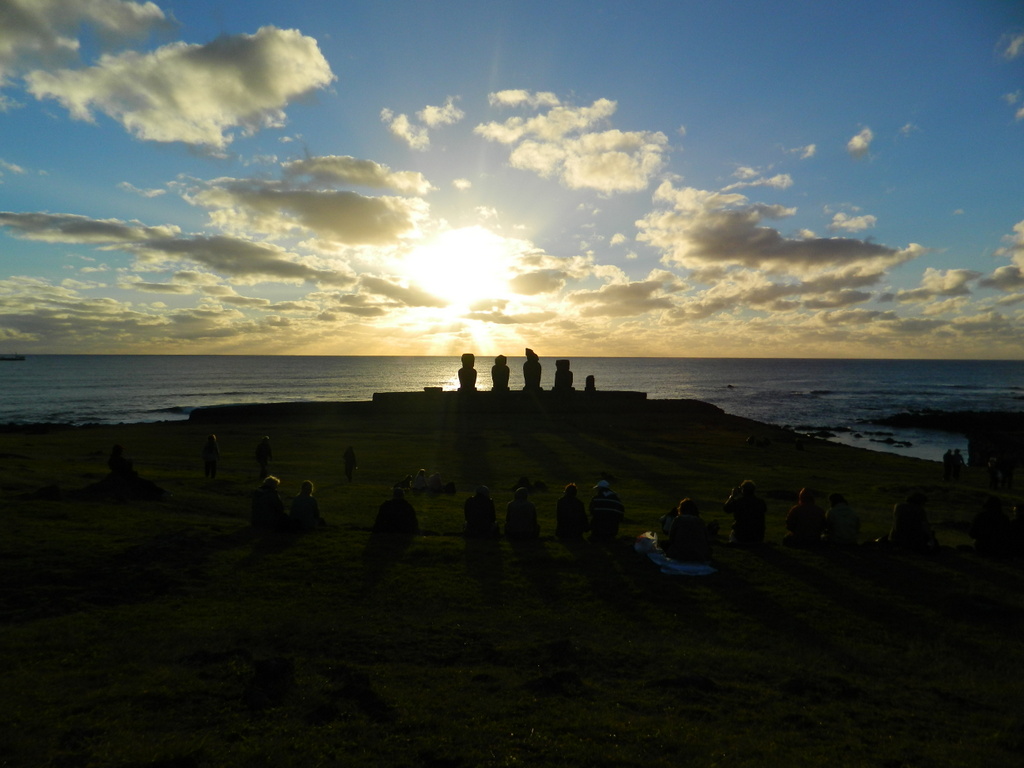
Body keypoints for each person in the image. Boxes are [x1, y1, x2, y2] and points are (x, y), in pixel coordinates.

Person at [664, 498, 712, 563]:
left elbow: (671, 538)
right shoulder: (700, 521)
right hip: (699, 554)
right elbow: (707, 539)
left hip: (679, 553)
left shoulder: (678, 520)